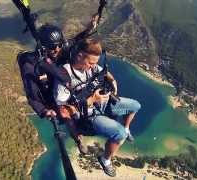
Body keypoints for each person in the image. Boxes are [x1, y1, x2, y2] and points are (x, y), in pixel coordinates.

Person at [54, 38, 141, 177]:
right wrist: (91, 101)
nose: (93, 66)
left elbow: (105, 73)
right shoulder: (65, 76)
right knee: (119, 135)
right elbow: (63, 111)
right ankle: (105, 160)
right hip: (88, 115)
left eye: (95, 63)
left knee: (135, 106)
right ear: (80, 56)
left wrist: (113, 82)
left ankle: (126, 127)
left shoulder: (92, 67)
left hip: (102, 102)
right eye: (90, 62)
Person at [18, 14, 100, 152]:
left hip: (64, 90)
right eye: (52, 47)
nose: (56, 50)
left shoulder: (62, 49)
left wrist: (89, 29)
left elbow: (76, 41)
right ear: (43, 47)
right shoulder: (31, 65)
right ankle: (78, 139)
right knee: (65, 115)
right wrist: (44, 111)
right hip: (50, 96)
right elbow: (31, 93)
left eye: (59, 45)